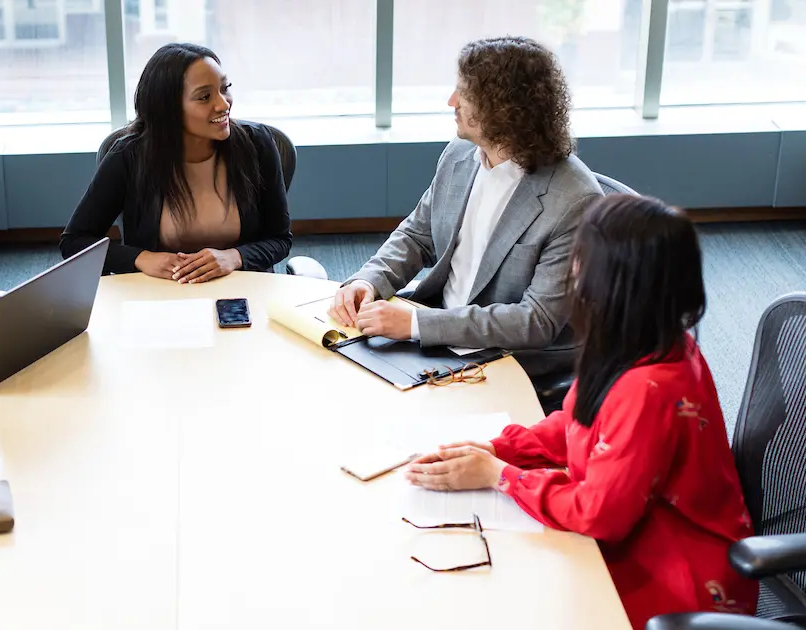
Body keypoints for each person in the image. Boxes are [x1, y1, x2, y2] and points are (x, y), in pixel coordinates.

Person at [403, 195, 756, 629]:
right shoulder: (642, 339)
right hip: (638, 535)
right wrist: (500, 447)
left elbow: (599, 515)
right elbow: (578, 421)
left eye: (580, 261)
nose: (572, 271)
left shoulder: (649, 389)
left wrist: (499, 475)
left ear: (612, 284)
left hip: (675, 576)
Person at [330, 36, 602, 378]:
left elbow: (537, 321)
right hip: (435, 326)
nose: (451, 101)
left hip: (511, 356)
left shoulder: (574, 200)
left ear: (503, 109)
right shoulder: (460, 154)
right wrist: (369, 281)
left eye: (465, 94)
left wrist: (416, 324)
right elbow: (418, 234)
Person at [61, 42, 292, 281]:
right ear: (167, 108)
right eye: (204, 96)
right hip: (159, 292)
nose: (223, 104)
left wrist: (234, 257)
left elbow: (280, 239)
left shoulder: (256, 144)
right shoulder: (129, 156)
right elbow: (75, 242)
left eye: (225, 88)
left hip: (240, 288)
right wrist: (142, 258)